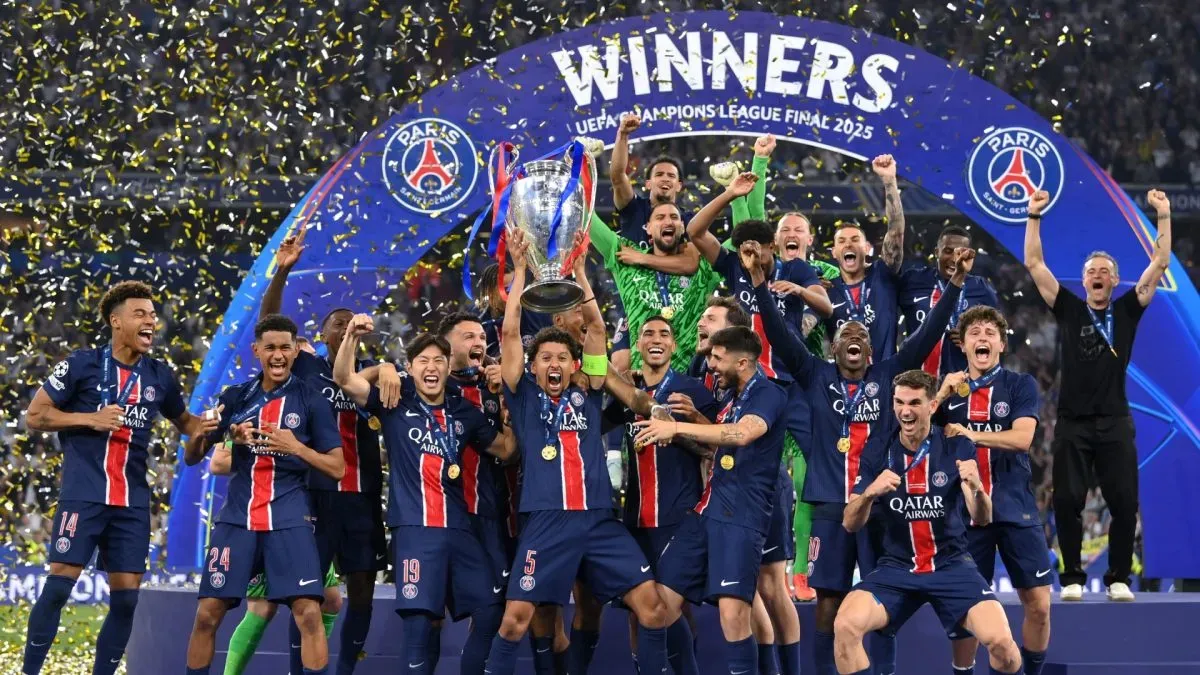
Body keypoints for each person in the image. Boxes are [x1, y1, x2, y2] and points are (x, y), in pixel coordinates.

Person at [750, 239, 978, 675]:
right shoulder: (814, 374)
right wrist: (760, 282)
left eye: (861, 335)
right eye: (844, 334)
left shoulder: (888, 373)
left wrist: (955, 283)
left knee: (883, 611)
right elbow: (780, 335)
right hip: (833, 510)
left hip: (884, 508)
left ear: (871, 351)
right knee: (828, 606)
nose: (853, 336)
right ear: (832, 348)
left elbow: (929, 331)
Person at [483, 229, 670, 675]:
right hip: (547, 520)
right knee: (516, 622)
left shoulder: (588, 391)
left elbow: (598, 328)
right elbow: (510, 330)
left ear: (574, 365)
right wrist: (524, 269)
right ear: (533, 366)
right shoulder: (523, 395)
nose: (553, 365)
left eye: (561, 359)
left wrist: (583, 273)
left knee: (654, 609)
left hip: (598, 519)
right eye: (544, 358)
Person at [229, 227, 400, 675]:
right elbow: (270, 324)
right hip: (315, 496)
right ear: (320, 334)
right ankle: (298, 669)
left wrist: (393, 368)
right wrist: (281, 272)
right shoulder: (304, 367)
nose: (344, 325)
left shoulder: (372, 378)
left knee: (361, 587)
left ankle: (344, 668)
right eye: (335, 321)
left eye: (350, 320)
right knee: (304, 596)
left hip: (362, 497)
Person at [22, 281, 217, 675]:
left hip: (132, 502)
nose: (151, 321)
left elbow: (187, 424)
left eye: (152, 315)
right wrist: (89, 418)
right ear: (116, 321)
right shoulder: (81, 364)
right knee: (59, 587)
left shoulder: (160, 376)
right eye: (140, 314)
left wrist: (217, 425)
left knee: (126, 600)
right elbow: (35, 415)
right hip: (84, 494)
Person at [334, 319, 514, 675]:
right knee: (419, 625)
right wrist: (354, 339)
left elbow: (506, 450)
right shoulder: (394, 399)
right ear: (411, 367)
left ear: (449, 366)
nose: (431, 368)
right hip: (415, 531)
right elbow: (344, 379)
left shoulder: (464, 411)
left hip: (460, 529)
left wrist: (509, 409)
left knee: (492, 610)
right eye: (423, 361)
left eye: (438, 361)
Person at [1024, 188, 1172, 602]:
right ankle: (1071, 578)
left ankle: (1119, 578)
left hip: (1114, 420)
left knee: (1124, 501)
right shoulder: (1069, 307)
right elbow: (1034, 263)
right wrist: (1034, 215)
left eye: (1105, 270)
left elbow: (1160, 261)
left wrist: (1162, 215)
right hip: (1072, 421)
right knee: (1067, 500)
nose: (1097, 274)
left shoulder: (1128, 309)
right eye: (1091, 270)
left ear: (1115, 278)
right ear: (1084, 278)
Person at [182, 313, 346, 675]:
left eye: (285, 347)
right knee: (208, 613)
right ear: (256, 351)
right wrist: (203, 433)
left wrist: (296, 448)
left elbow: (337, 467)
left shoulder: (312, 401)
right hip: (237, 519)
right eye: (269, 347)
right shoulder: (235, 397)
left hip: (289, 519)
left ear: (294, 352)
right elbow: (192, 458)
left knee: (308, 612)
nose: (278, 355)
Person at [834, 369, 1022, 675]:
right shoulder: (878, 448)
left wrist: (976, 488)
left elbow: (983, 517)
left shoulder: (955, 444)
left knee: (1003, 644)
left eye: (914, 403)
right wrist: (870, 493)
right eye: (899, 402)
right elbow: (849, 523)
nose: (905, 411)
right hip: (896, 568)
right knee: (844, 627)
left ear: (931, 405)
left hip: (951, 565)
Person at [631, 325, 789, 675]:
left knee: (733, 615)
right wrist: (683, 423)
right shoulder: (731, 398)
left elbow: (743, 434)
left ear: (744, 362)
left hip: (741, 519)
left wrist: (677, 429)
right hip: (705, 511)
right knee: (658, 606)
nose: (711, 365)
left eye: (718, 359)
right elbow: (718, 445)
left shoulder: (768, 393)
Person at [932, 306, 1051, 675]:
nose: (982, 338)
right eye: (974, 333)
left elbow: (1022, 438)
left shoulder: (1019, 385)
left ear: (1000, 343)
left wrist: (971, 434)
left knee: (1039, 605)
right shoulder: (948, 391)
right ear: (963, 345)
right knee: (967, 609)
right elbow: (912, 432)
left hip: (1015, 507)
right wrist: (938, 395)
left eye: (989, 333)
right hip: (964, 514)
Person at [605, 316, 719, 675]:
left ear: (673, 346)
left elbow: (716, 448)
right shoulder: (628, 394)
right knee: (641, 612)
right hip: (636, 520)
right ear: (638, 346)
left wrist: (678, 431)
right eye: (648, 334)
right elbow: (592, 421)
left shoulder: (692, 392)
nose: (656, 339)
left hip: (680, 517)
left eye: (664, 335)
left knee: (668, 610)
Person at [589, 172, 749, 371]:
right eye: (660, 217)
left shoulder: (702, 266)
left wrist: (736, 196)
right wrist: (581, 173)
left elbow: (741, 241)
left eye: (675, 217)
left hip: (690, 386)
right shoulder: (625, 257)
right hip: (642, 386)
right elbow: (588, 219)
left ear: (682, 227)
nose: (668, 221)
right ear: (648, 228)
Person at [774, 211, 839, 602]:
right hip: (766, 384)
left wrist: (807, 292)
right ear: (775, 239)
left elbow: (830, 311)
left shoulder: (822, 273)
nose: (792, 234)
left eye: (799, 229)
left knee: (803, 483)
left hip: (806, 387)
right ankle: (773, 567)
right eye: (785, 230)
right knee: (768, 483)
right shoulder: (761, 270)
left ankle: (800, 571)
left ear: (811, 239)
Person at [824, 155, 906, 358]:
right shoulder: (826, 290)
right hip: (842, 383)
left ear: (868, 248)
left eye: (855, 240)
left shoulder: (882, 274)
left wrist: (889, 181)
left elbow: (896, 231)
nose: (848, 244)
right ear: (834, 252)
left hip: (884, 379)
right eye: (841, 241)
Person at [897, 225, 999, 378]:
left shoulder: (981, 289)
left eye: (960, 253)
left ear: (970, 256)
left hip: (964, 383)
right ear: (936, 252)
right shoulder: (913, 280)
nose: (954, 259)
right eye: (948, 251)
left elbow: (1000, 337)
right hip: (917, 382)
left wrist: (975, 337)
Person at [609, 112, 692, 248]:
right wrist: (623, 134)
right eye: (659, 174)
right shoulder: (634, 208)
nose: (665, 179)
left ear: (679, 186)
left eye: (671, 176)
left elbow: (692, 260)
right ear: (648, 184)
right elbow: (617, 177)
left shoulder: (688, 219)